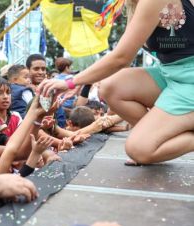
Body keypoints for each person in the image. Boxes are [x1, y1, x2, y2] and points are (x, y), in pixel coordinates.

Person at [39, 0, 194, 165]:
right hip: (170, 74)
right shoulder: (133, 4)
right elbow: (124, 56)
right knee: (110, 87)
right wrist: (81, 80)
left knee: (138, 149)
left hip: (189, 80)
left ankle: (149, 143)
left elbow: (121, 58)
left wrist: (71, 81)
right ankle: (153, 138)